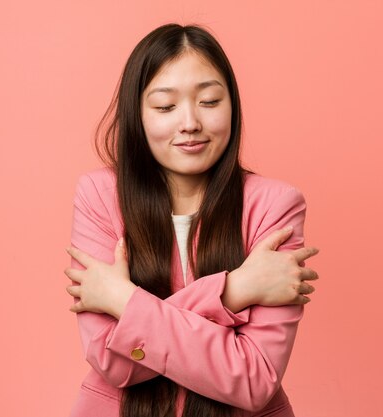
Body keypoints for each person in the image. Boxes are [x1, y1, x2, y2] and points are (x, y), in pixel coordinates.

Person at [64, 23, 320, 417]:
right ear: (138, 114)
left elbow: (252, 381)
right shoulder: (99, 195)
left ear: (232, 104)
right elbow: (111, 361)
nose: (189, 123)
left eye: (210, 101)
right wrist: (234, 289)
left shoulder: (275, 205)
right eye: (166, 107)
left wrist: (123, 301)